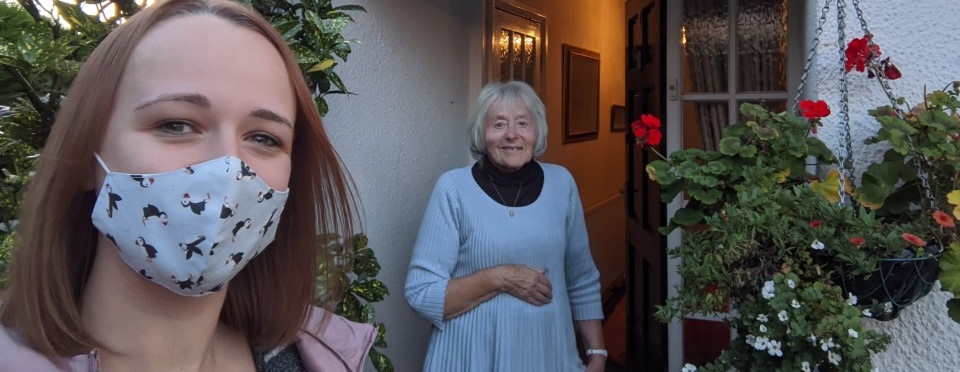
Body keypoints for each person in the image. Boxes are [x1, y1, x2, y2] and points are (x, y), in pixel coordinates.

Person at [0, 0, 374, 370]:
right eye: (176, 124)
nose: (229, 167)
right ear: (86, 154)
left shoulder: (323, 359)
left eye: (264, 138)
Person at [405, 81, 606, 371]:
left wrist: (597, 352)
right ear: (482, 133)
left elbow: (582, 277)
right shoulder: (453, 189)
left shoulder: (562, 183)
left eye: (522, 123)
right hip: (469, 359)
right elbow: (420, 293)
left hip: (548, 357)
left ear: (537, 131)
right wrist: (500, 277)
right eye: (499, 124)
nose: (512, 135)